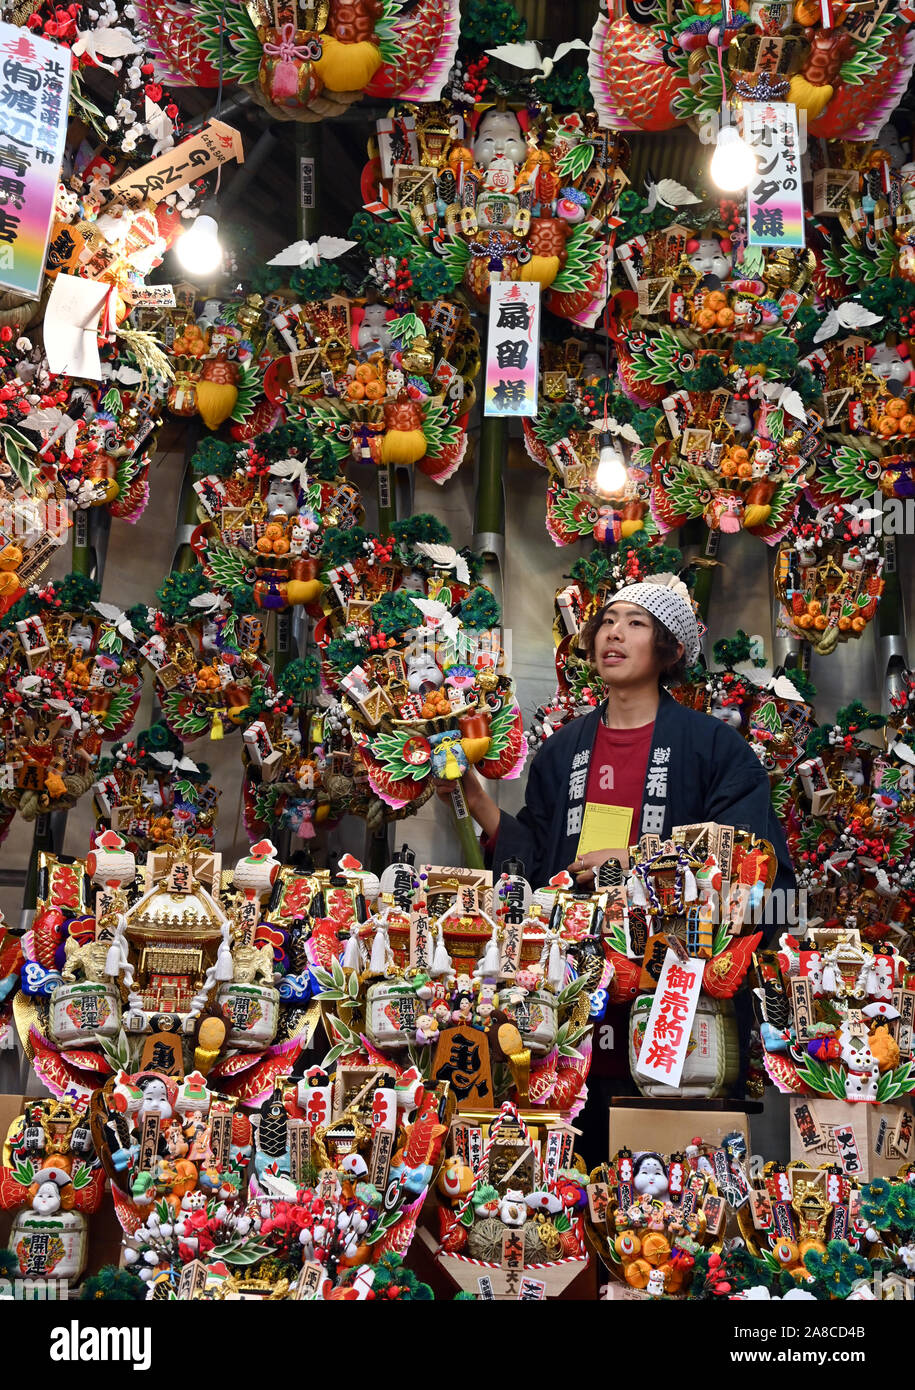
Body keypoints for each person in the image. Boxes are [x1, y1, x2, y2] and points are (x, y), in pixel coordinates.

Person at [462, 575, 794, 904]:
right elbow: (538, 854)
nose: (613, 633)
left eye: (635, 623)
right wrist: (474, 797)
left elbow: (746, 858)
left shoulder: (716, 748)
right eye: (607, 621)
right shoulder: (562, 749)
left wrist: (642, 862)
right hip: (571, 938)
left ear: (673, 650)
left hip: (664, 949)